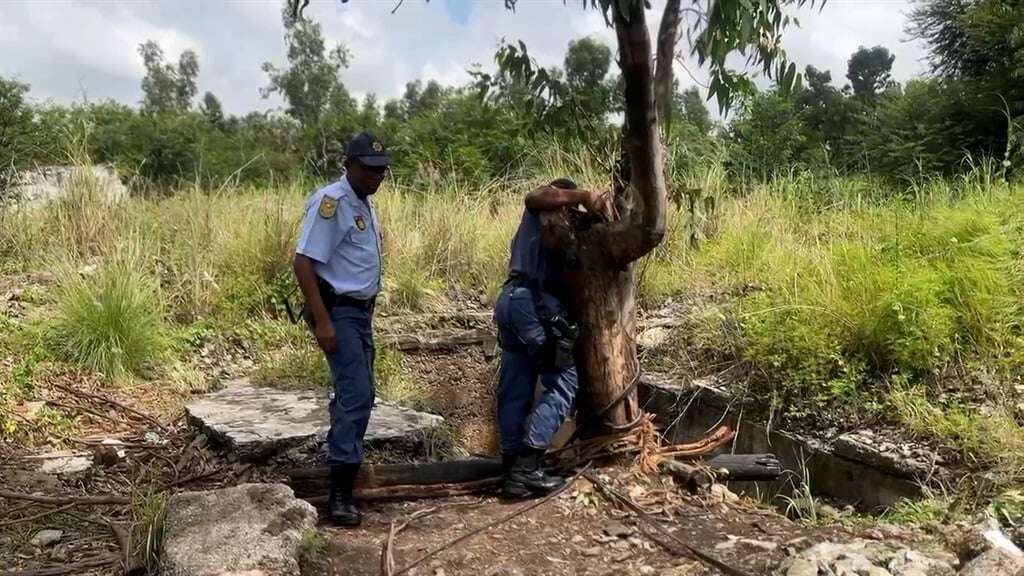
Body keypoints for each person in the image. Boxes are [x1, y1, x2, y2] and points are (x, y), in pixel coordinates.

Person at [292, 131, 390, 526]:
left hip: (360, 313)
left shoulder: (362, 201)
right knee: (356, 395)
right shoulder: (332, 202)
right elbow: (303, 263)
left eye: (381, 170)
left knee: (358, 394)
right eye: (368, 168)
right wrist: (324, 321)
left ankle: (343, 469)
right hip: (341, 312)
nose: (376, 176)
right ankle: (340, 494)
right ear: (348, 163)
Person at [493, 178, 612, 498]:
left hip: (510, 301)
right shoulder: (541, 207)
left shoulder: (527, 233)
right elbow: (535, 195)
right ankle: (527, 466)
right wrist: (584, 196)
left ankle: (511, 471)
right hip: (532, 305)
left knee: (516, 386)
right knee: (563, 382)